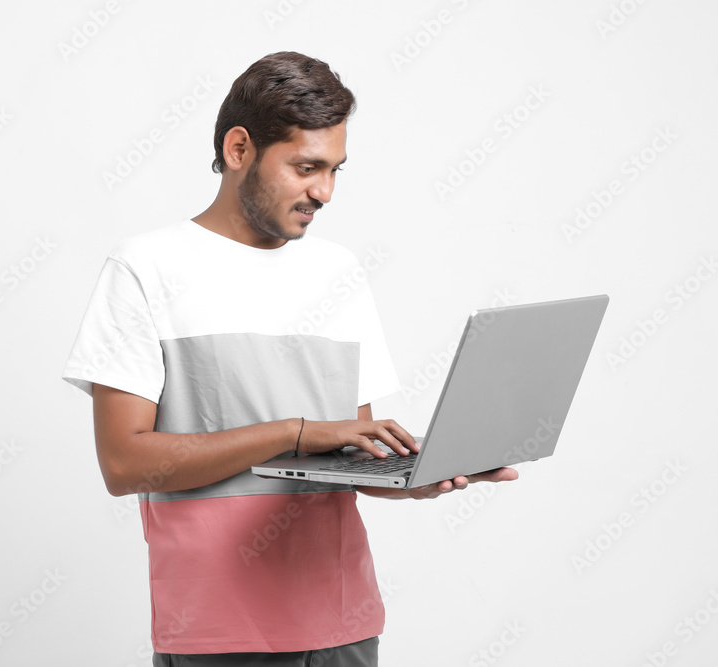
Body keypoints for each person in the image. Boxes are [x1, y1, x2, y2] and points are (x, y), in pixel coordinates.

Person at [62, 51, 517, 667]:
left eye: (334, 170)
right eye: (306, 167)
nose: (324, 192)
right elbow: (124, 464)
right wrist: (295, 433)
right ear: (239, 149)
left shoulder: (339, 272)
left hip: (344, 623)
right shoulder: (144, 268)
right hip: (220, 634)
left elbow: (350, 456)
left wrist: (415, 477)